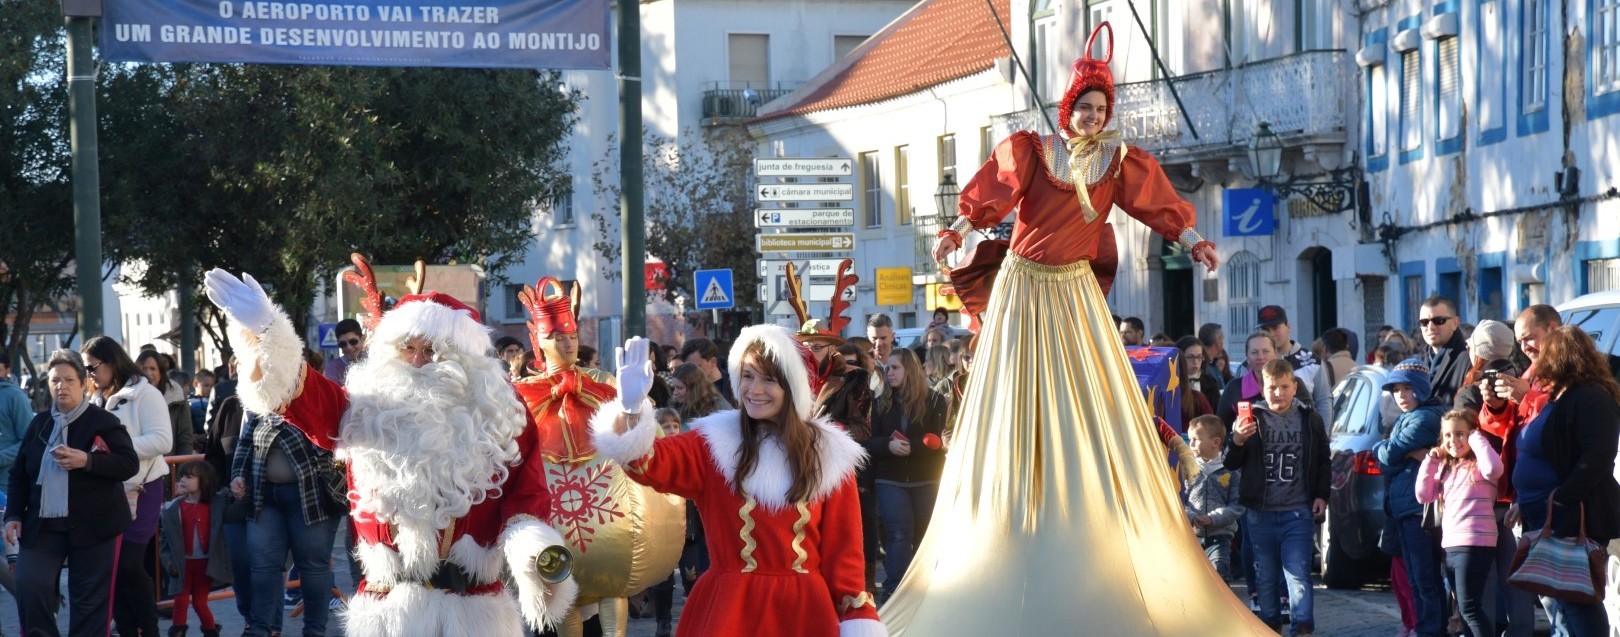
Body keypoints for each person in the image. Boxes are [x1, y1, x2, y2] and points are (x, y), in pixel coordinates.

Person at [891, 23, 1261, 635]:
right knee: (1014, 392)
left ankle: (1085, 509)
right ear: (1068, 109)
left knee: (1090, 393)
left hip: (1075, 291)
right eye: (1084, 108)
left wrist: (1194, 243)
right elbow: (993, 192)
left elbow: (1156, 204)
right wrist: (957, 230)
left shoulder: (1119, 162)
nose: (1092, 117)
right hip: (1024, 286)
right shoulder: (1033, 150)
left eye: (1101, 109)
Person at [203, 268, 577, 635]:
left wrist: (531, 548)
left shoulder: (499, 416)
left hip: (471, 610)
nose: (417, 362)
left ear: (463, 357)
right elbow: (302, 395)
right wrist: (267, 331)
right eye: (407, 349)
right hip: (386, 611)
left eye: (431, 351)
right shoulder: (366, 410)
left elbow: (528, 496)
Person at [590, 328, 884, 636]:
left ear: (792, 387)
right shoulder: (714, 443)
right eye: (747, 376)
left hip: (803, 613)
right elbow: (646, 462)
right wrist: (631, 411)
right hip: (728, 610)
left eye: (769, 379)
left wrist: (856, 615)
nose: (755, 390)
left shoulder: (829, 454)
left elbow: (845, 554)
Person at [511, 276, 682, 637]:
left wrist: (633, 402)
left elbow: (634, 429)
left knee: (611, 583)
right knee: (563, 587)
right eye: (560, 339)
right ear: (542, 342)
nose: (569, 344)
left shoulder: (601, 383)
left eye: (573, 337)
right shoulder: (524, 394)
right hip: (551, 511)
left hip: (608, 513)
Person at [5, 350, 139, 637]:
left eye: (68, 380)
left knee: (89, 602)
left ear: (83, 384)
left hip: (96, 526)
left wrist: (87, 461)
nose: (61, 386)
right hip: (43, 525)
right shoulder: (39, 423)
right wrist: (14, 515)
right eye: (55, 380)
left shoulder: (102, 421)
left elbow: (129, 463)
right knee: (30, 585)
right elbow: (19, 474)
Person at [1506, 326, 1620, 636]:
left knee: (1577, 598)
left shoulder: (1591, 398)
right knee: (1559, 600)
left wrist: (1562, 499)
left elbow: (1597, 456)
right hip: (1544, 510)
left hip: (1569, 513)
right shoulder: (1561, 394)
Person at [1226, 359, 1330, 636]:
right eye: (1272, 387)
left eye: (1285, 387)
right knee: (1267, 577)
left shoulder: (1309, 419)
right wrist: (1236, 440)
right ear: (1262, 387)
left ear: (1294, 387)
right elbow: (1230, 463)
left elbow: (1323, 460)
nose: (1278, 393)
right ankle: (1270, 626)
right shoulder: (1252, 419)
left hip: (1298, 512)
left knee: (1297, 574)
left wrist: (1321, 494)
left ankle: (1302, 628)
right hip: (1260, 513)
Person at [81, 336, 172, 637]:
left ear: (110, 361)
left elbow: (163, 440)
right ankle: (128, 628)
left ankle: (148, 627)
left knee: (129, 563)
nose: (88, 373)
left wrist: (118, 448)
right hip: (108, 491)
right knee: (115, 566)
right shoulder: (94, 399)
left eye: (91, 366)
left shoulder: (146, 394)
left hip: (143, 487)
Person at [229, 404, 346, 637]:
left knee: (313, 568)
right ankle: (260, 629)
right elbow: (245, 443)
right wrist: (238, 475)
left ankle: (314, 632)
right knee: (263, 567)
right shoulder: (259, 403)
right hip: (265, 495)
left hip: (312, 497)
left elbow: (334, 445)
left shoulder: (319, 399)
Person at [1479, 306, 1560, 636]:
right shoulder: (1531, 371)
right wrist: (1494, 405)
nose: (1525, 346)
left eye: (1530, 338)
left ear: (1552, 328)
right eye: (1520, 341)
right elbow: (1509, 429)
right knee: (1542, 587)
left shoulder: (1565, 371)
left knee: (1561, 590)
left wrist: (1525, 398)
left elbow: (1558, 422)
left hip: (1553, 496)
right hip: (1525, 496)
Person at [866, 348, 948, 601]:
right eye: (887, 368)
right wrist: (888, 446)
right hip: (890, 478)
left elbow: (939, 439)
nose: (888, 373)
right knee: (898, 534)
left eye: (895, 368)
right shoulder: (880, 402)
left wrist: (915, 445)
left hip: (926, 477)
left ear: (909, 370)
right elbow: (871, 441)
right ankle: (894, 591)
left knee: (925, 535)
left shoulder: (935, 400)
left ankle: (929, 590)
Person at [1374, 359, 1447, 637]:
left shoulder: (1425, 417)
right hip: (1406, 507)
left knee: (1424, 579)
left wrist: (1391, 449)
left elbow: (1390, 452)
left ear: (1420, 388)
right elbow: (1386, 458)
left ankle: (1430, 630)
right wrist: (1391, 450)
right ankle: (1429, 628)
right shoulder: (1410, 417)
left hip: (1419, 509)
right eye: (1396, 390)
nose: (1401, 396)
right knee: (1418, 579)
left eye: (1407, 389)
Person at [1414, 408, 1502, 637]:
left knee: (1469, 607)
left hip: (1475, 542)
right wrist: (1430, 462)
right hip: (1451, 544)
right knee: (1464, 611)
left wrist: (1476, 438)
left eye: (1460, 434)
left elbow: (1495, 468)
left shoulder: (1481, 464)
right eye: (1448, 436)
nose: (1453, 441)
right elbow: (1423, 495)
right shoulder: (1446, 467)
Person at [160, 460, 231, 637]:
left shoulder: (217, 503)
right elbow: (165, 542)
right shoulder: (173, 508)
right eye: (182, 475)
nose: (183, 479)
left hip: (205, 564)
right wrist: (168, 562)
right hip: (182, 564)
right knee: (180, 600)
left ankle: (210, 631)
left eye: (189, 477)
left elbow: (229, 499)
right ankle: (178, 631)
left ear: (204, 481)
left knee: (200, 602)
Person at [1181, 415, 1242, 581]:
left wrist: (1213, 518)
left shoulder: (1231, 469)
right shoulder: (1186, 468)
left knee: (1218, 573)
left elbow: (1237, 505)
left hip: (1220, 536)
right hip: (1192, 534)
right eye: (1190, 439)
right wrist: (1191, 516)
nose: (1190, 443)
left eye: (1196, 439)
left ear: (1216, 442)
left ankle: (1221, 607)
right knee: (1193, 578)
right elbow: (1180, 500)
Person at [1256, 305, 1333, 420]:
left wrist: (1322, 435)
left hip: (1306, 434)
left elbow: (1324, 402)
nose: (1271, 334)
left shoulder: (1312, 361)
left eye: (1275, 327)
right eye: (1265, 329)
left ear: (1288, 327)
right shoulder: (1252, 362)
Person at [138, 349, 195, 456]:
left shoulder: (177, 396)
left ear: (161, 372)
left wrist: (181, 469)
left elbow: (185, 437)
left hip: (169, 464)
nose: (148, 373)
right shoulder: (128, 397)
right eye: (144, 369)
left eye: (153, 369)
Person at [1418, 296, 1471, 406]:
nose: (1430, 327)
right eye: (1424, 322)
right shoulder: (1419, 361)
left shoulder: (1468, 359)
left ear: (1455, 323)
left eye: (1439, 321)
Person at [1454, 319, 1516, 412]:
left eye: (1470, 347)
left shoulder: (1470, 393)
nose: (1467, 349)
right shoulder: (1521, 385)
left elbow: (1458, 426)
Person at [0, 351, 32, 491]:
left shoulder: (16, 397)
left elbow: (27, 440)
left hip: (6, 481)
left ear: (7, 370)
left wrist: (1, 458)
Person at [679, 338, 732, 405]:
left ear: (713, 362)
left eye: (698, 366)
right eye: (689, 368)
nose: (692, 372)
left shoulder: (735, 385)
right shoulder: (686, 389)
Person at [1175, 337, 1214, 423]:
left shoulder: (1210, 383)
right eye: (1190, 357)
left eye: (1199, 357)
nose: (1195, 362)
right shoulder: (1172, 383)